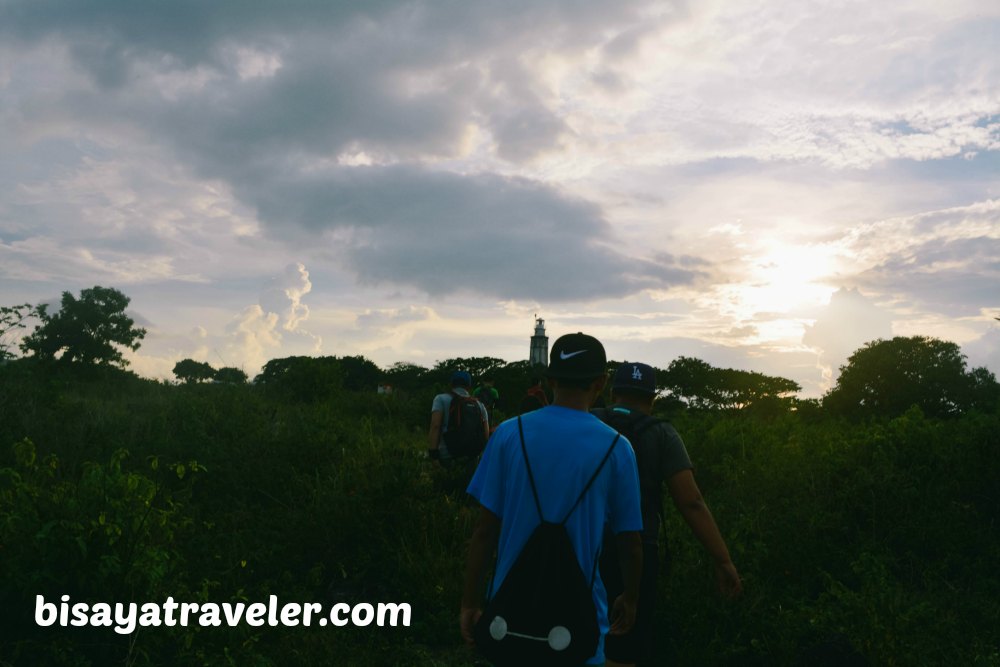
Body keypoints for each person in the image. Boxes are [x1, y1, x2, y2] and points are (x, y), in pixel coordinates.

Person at [461, 333, 644, 666]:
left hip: (509, 618)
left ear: (550, 379)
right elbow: (630, 544)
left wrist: (469, 602)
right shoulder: (618, 449)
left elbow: (485, 531)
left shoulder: (507, 435)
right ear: (600, 383)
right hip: (579, 624)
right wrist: (630, 598)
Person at [595, 362, 743, 667]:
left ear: (611, 392)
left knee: (575, 638)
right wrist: (723, 560)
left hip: (583, 546)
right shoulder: (662, 433)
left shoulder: (588, 422)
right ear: (652, 399)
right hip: (638, 552)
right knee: (623, 645)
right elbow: (692, 503)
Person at [428, 370, 489, 462]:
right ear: (469, 386)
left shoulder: (440, 399)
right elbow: (485, 433)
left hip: (447, 456)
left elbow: (435, 426)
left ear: (451, 384)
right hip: (472, 457)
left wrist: (433, 454)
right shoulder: (479, 405)